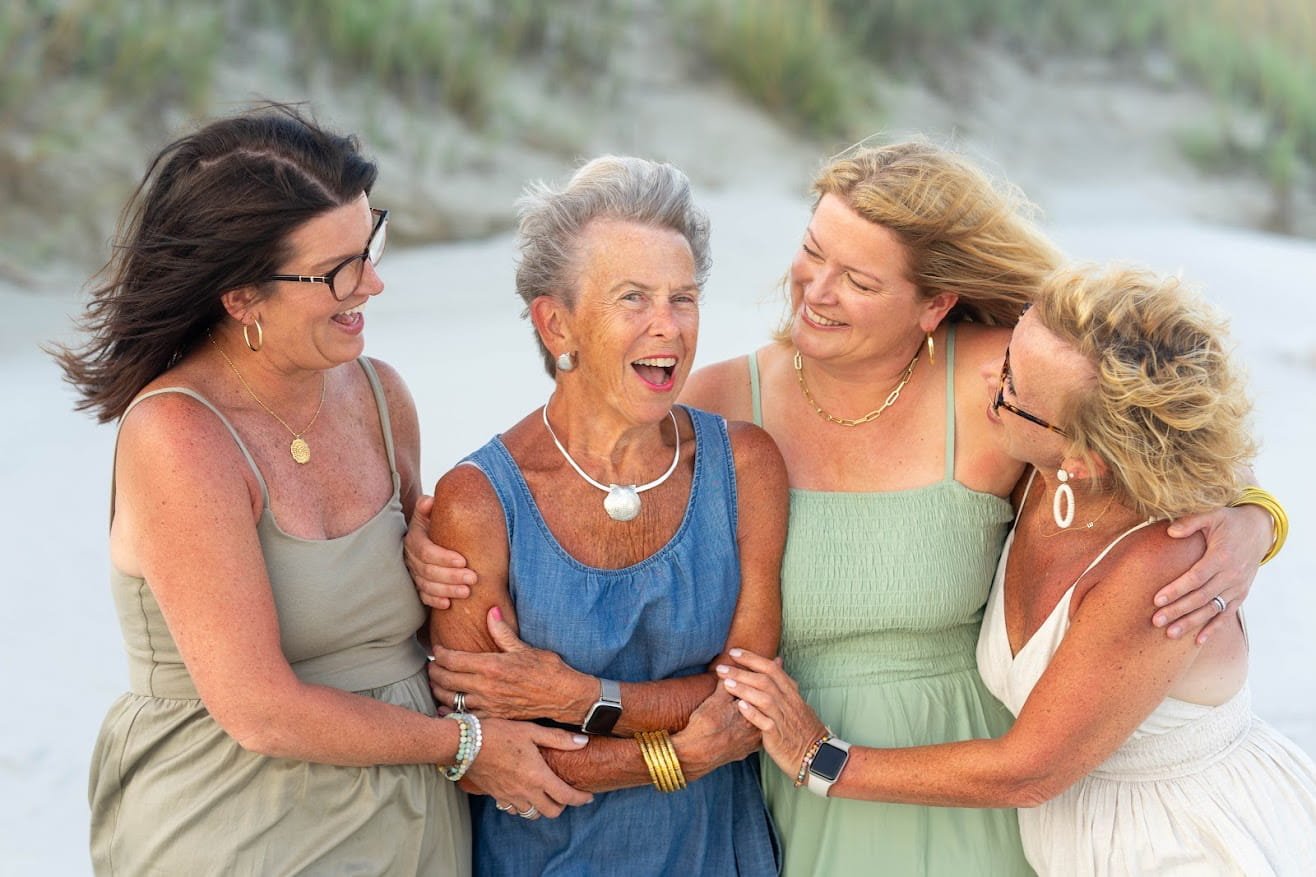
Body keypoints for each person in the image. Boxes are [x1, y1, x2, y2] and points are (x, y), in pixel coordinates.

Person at [408, 142, 1280, 874]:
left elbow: (1139, 431)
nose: (815, 290)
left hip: (954, 771)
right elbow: (572, 458)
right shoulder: (726, 406)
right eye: (812, 250)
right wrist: (422, 525)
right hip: (792, 782)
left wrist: (1252, 519)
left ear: (933, 303)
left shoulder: (994, 384)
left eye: (857, 278)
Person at [54, 104, 590, 876]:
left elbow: (416, 608)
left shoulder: (379, 395)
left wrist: (415, 548)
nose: (372, 282)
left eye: (369, 241)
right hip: (243, 823)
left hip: (412, 819)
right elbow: (260, 710)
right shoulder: (180, 437)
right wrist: (466, 744)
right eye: (338, 268)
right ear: (241, 297)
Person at [722, 263, 1315, 875]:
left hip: (1182, 844)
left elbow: (1030, 769)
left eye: (1010, 387)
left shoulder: (1163, 569)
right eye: (1007, 358)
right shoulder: (1044, 473)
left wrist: (818, 758)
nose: (987, 379)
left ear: (1086, 460)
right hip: (1074, 842)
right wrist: (1261, 517)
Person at [424, 155, 786, 876]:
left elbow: (747, 701)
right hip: (547, 858)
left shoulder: (744, 464)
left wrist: (580, 697)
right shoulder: (477, 500)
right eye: (634, 298)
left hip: (718, 852)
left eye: (683, 299)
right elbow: (486, 756)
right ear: (558, 324)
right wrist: (680, 752)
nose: (669, 327)